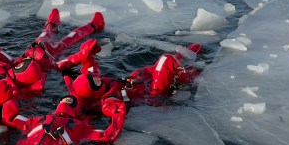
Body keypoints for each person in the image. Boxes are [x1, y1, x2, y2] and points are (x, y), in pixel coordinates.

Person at [58, 41, 203, 111]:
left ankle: (182, 58)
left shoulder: (99, 84)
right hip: (152, 92)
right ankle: (191, 76)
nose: (96, 79)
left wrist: (86, 54)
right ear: (94, 91)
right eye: (94, 83)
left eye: (93, 78)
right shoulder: (108, 100)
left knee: (164, 62)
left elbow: (90, 70)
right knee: (166, 59)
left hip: (139, 80)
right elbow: (118, 110)